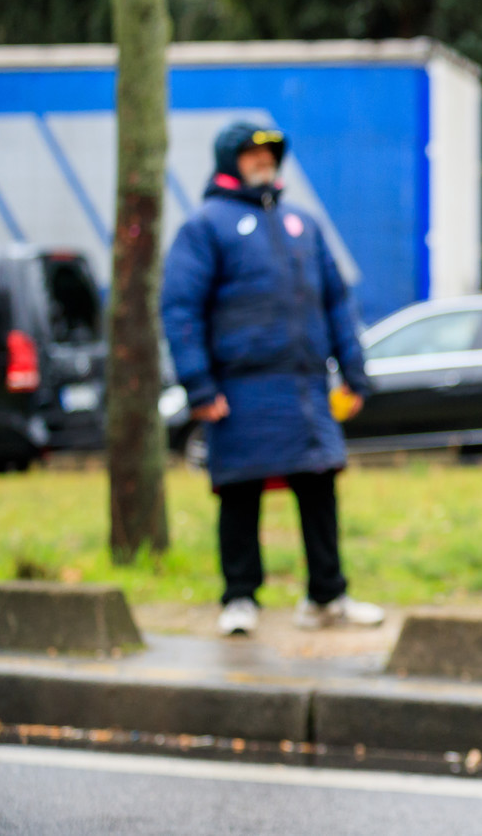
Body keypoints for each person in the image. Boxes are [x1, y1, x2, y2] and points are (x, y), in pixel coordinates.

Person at [162, 122, 384, 636]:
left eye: (270, 153)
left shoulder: (302, 224)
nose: (264, 161)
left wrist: (354, 373)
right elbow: (180, 309)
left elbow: (337, 303)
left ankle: (326, 597)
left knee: (319, 486)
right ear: (229, 160)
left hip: (305, 388)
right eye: (251, 154)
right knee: (239, 491)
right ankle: (240, 598)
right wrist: (199, 386)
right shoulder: (205, 226)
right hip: (240, 389)